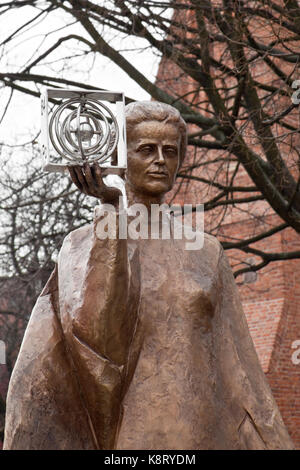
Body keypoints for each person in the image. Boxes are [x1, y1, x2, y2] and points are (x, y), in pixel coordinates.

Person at [3, 101, 294, 450]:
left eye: (170, 151)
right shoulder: (83, 243)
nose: (160, 159)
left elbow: (240, 368)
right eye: (146, 149)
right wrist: (110, 208)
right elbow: (95, 344)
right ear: (121, 161)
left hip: (197, 432)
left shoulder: (205, 251)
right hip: (128, 436)